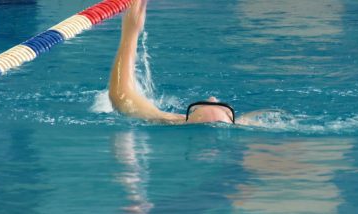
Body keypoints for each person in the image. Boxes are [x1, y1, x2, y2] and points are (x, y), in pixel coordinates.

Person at [109, 0, 258, 125]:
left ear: (183, 118)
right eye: (221, 105)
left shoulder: (172, 121)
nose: (212, 98)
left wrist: (131, 32)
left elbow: (121, 98)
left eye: (199, 107)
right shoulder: (248, 125)